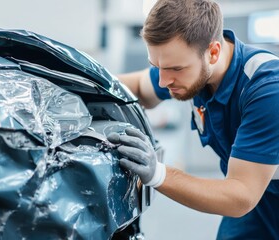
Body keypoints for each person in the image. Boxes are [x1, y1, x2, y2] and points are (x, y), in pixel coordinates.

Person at [107, 0, 279, 239]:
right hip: (257, 204)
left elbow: (241, 195)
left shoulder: (267, 89)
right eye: (157, 66)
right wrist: (76, 82)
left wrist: (158, 173)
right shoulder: (186, 64)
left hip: (249, 193)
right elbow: (135, 87)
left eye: (175, 69)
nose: (163, 81)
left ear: (214, 52)